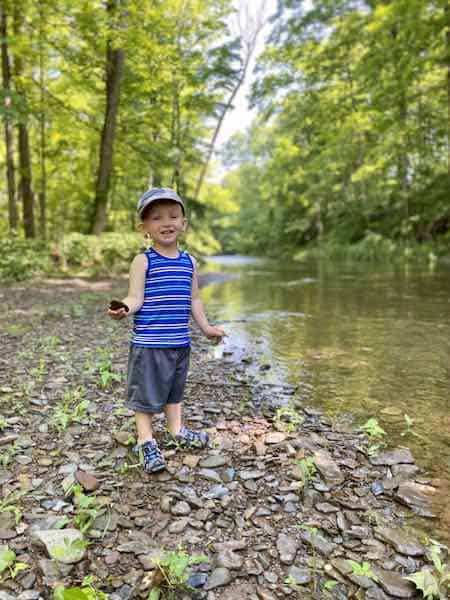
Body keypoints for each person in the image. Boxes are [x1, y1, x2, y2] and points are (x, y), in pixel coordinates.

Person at [107, 187, 224, 473]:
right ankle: (145, 441)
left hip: (179, 343)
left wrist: (206, 327)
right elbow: (136, 297)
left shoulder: (189, 262)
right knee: (145, 394)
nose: (166, 222)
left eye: (173, 216)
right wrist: (124, 307)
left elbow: (193, 298)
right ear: (144, 228)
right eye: (157, 218)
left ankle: (176, 430)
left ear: (184, 224)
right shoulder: (144, 261)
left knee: (174, 391)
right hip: (149, 343)